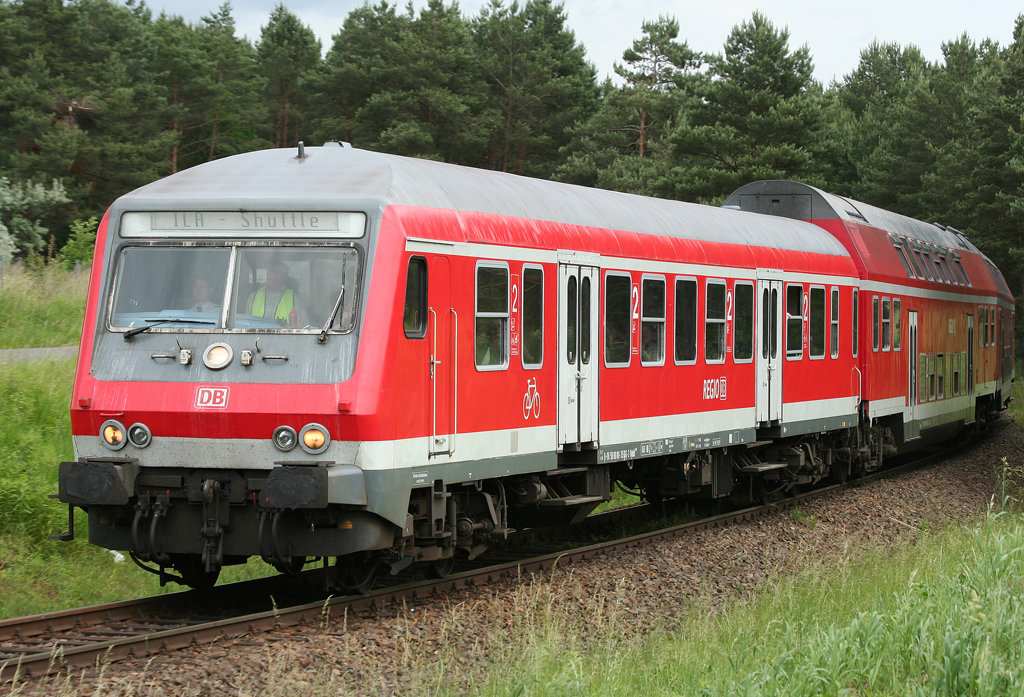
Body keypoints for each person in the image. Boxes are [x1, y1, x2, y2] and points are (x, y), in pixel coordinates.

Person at [246, 259, 307, 327]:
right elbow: (246, 325)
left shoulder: (295, 299)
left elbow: (303, 329)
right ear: (267, 274)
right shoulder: (253, 297)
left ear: (285, 276)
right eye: (271, 271)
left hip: (284, 338)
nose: (274, 276)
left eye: (279, 272)